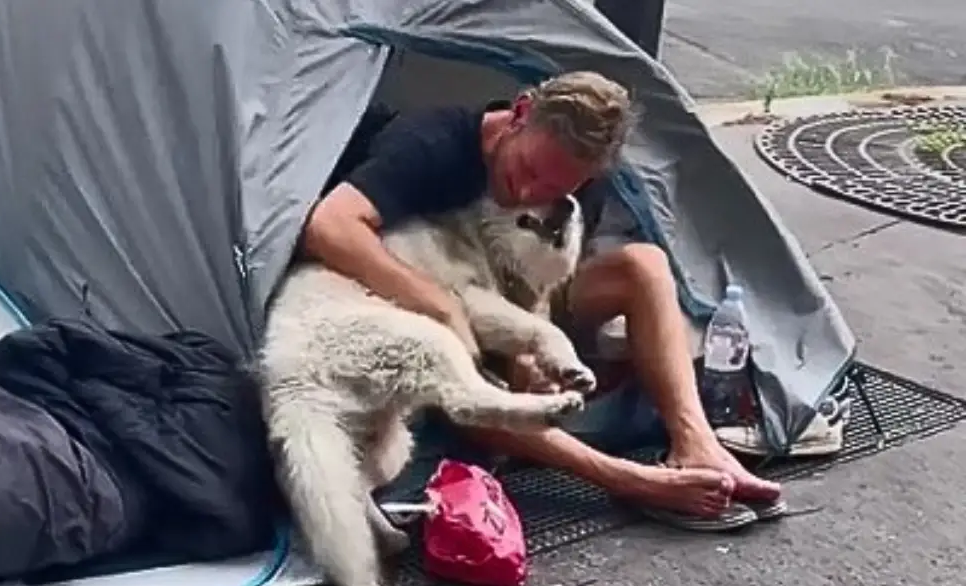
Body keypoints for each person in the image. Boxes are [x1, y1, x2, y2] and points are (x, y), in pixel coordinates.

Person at [299, 70, 782, 524]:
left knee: (645, 264)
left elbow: (545, 284)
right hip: (418, 302)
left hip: (510, 300)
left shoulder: (576, 174)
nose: (530, 191)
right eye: (527, 169)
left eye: (554, 188)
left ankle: (693, 440)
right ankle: (626, 478)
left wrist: (532, 344)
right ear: (521, 112)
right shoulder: (432, 144)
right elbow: (329, 225)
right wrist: (438, 305)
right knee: (467, 383)